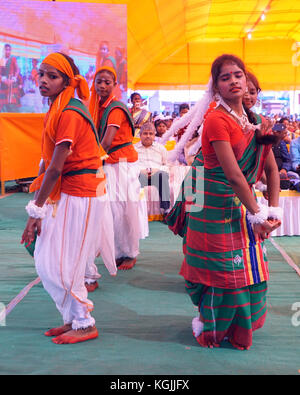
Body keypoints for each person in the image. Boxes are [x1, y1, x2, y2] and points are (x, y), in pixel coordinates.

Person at [166, 54, 282, 350]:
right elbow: (232, 174)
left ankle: (237, 327)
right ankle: (211, 326)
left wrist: (273, 209)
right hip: (214, 204)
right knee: (219, 269)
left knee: (247, 266)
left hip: (243, 203)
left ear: (247, 81)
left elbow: (269, 168)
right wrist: (258, 215)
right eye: (225, 77)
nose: (234, 81)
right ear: (215, 87)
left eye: (238, 75)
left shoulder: (255, 121)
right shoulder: (216, 119)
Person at [21, 52, 117, 344]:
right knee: (47, 260)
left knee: (65, 264)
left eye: (52, 76)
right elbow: (49, 165)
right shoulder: (57, 108)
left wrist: (34, 212)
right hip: (67, 193)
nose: (44, 81)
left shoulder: (70, 112)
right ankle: (73, 318)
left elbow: (55, 167)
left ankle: (85, 323)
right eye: (42, 74)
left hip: (81, 193)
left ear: (66, 81)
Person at [89, 66, 148, 270]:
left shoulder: (115, 109)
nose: (103, 86)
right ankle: (115, 252)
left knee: (125, 209)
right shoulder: (96, 107)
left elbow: (105, 143)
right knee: (109, 210)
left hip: (121, 165)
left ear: (115, 85)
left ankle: (130, 253)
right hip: (106, 164)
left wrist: (85, 162)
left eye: (107, 82)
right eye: (99, 82)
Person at [135, 122, 171, 214]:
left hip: (157, 175)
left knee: (162, 175)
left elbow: (167, 165)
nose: (148, 136)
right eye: (145, 133)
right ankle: (139, 211)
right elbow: (130, 166)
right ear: (140, 135)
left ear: (154, 135)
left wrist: (158, 170)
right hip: (140, 175)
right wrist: (140, 171)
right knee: (137, 177)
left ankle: (166, 210)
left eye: (151, 134)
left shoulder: (160, 148)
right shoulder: (134, 149)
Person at [0, 43, 23, 112]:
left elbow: (17, 69)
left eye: (9, 50)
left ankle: (14, 118)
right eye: (6, 50)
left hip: (12, 83)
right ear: (3, 51)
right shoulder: (1, 60)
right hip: (4, 83)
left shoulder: (13, 59)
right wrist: (3, 79)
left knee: (12, 102)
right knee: (3, 103)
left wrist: (14, 78)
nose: (8, 51)